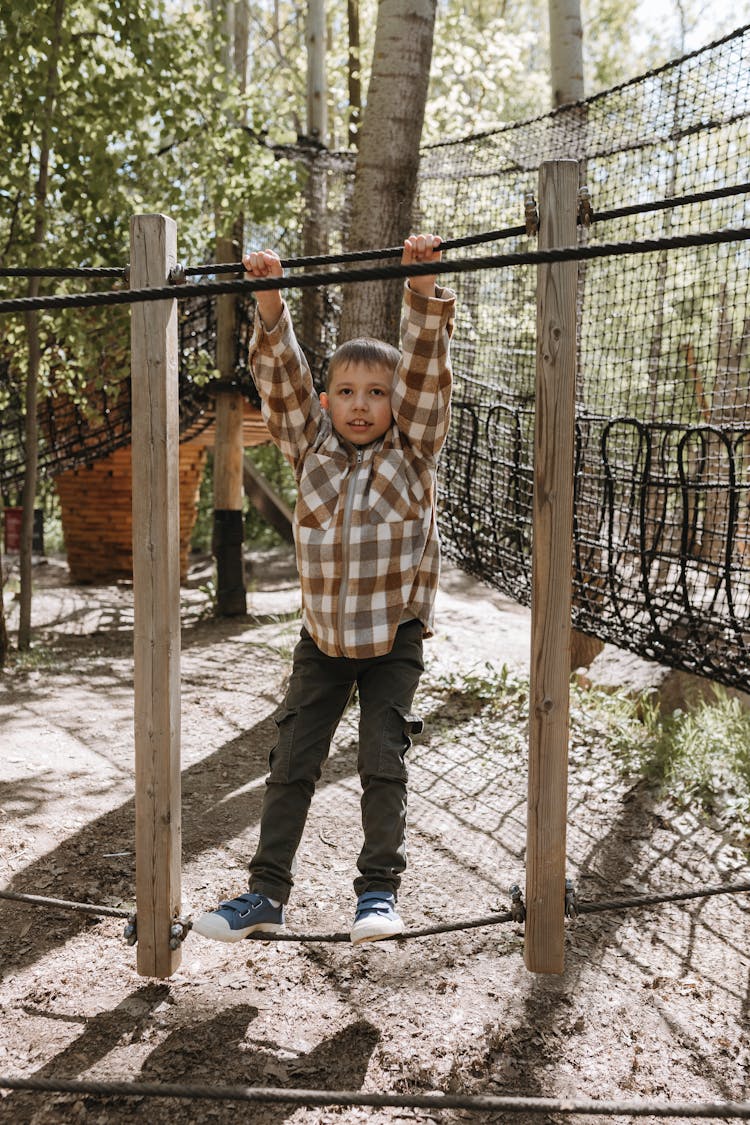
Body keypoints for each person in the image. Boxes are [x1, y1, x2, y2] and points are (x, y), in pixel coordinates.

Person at [193, 233, 455, 945]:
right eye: (345, 392)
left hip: (391, 638)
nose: (361, 405)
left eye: (375, 393)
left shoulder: (413, 450)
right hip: (321, 642)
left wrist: (422, 293)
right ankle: (265, 892)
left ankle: (377, 894)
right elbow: (279, 378)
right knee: (290, 765)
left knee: (380, 760)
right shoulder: (309, 443)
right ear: (327, 399)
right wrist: (269, 297)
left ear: (393, 401)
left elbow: (428, 377)